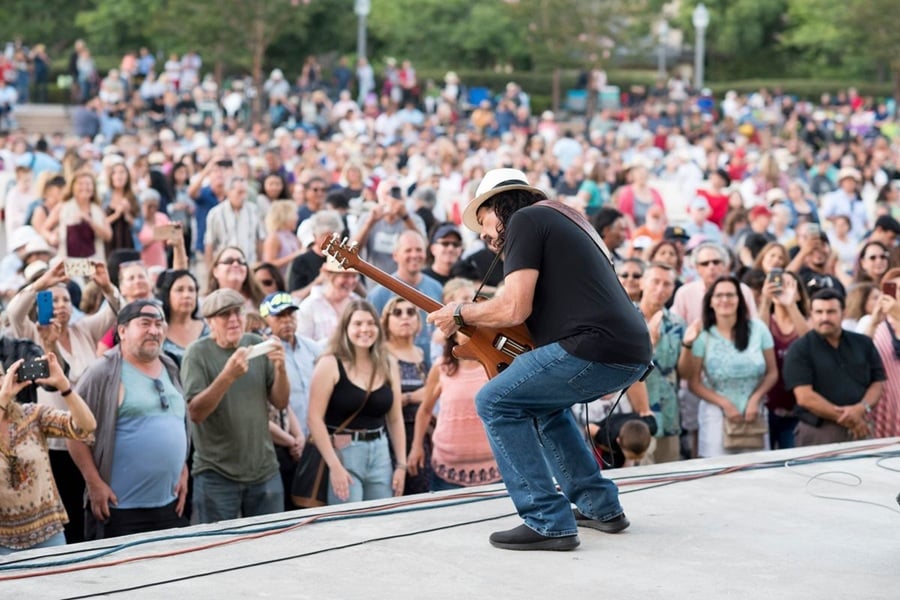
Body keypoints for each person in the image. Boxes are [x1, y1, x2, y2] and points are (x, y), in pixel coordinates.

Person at [428, 168, 652, 551]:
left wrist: (461, 313)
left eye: (483, 219)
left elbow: (514, 307)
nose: (482, 235)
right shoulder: (563, 220)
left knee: (494, 401)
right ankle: (600, 507)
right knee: (542, 407)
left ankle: (547, 520)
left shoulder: (525, 219)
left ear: (501, 205)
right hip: (629, 349)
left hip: (593, 345)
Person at [7, 259, 123, 543]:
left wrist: (106, 286)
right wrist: (41, 283)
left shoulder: (84, 330)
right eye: (53, 299)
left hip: (87, 435)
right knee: (64, 514)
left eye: (65, 299)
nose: (60, 305)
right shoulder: (31, 333)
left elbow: (120, 312)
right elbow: (14, 312)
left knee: (91, 511)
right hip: (51, 443)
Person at [68, 300, 190, 539]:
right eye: (145, 324)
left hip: (170, 505)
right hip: (120, 509)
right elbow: (72, 433)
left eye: (159, 324)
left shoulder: (170, 366)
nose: (154, 330)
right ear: (122, 331)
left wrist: (182, 467)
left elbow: (176, 423)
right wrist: (94, 483)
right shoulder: (102, 372)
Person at [181, 289, 290, 523]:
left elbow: (280, 402)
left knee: (273, 542)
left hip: (264, 470)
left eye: (237, 312)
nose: (233, 319)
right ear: (209, 322)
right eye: (224, 315)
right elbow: (195, 413)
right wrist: (227, 376)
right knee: (220, 544)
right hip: (217, 474)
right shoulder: (196, 354)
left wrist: (281, 369)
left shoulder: (255, 344)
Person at [306, 300, 407, 504]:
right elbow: (314, 419)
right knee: (349, 520)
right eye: (358, 324)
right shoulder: (329, 363)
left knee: (382, 516)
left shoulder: (388, 363)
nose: (365, 329)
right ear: (346, 328)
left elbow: (395, 419)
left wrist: (401, 465)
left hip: (380, 452)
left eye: (370, 323)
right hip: (344, 451)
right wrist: (334, 466)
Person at [409, 278, 500, 491]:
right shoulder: (441, 367)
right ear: (454, 337)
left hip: (496, 469)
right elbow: (425, 410)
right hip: (446, 472)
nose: (471, 334)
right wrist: (416, 447)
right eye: (464, 330)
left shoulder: (496, 366)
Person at [0, 354, 96, 554]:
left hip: (48, 536)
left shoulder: (32, 415)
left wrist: (64, 387)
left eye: (1, 376)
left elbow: (86, 426)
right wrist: (3, 399)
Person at [682, 275, 778, 457]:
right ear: (710, 302)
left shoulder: (758, 329)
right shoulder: (703, 335)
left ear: (739, 300)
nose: (724, 300)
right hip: (716, 415)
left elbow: (772, 373)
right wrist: (725, 404)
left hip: (753, 414)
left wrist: (755, 399)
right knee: (718, 471)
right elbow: (694, 383)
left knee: (758, 468)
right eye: (719, 295)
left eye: (730, 295)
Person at [783, 288, 885, 446]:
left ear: (843, 313)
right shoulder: (800, 349)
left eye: (831, 312)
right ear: (811, 314)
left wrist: (860, 409)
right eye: (819, 312)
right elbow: (805, 397)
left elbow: (877, 382)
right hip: (819, 432)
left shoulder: (863, 343)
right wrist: (849, 419)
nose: (825, 318)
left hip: (861, 426)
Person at [381, 297, 430, 495]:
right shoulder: (381, 354)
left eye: (411, 312)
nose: (405, 317)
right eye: (397, 313)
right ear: (386, 321)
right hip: (390, 434)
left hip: (420, 435)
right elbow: (380, 400)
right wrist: (411, 397)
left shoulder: (420, 353)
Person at [757, 270, 810, 449]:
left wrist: (791, 305)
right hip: (767, 407)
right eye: (778, 283)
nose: (781, 289)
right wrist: (765, 300)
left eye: (788, 285)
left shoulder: (806, 322)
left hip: (796, 411)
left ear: (799, 293)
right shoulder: (765, 319)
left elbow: (809, 344)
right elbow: (757, 339)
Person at [296, 255, 361, 345]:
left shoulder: (358, 302)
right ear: (328, 275)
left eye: (354, 276)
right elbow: (302, 345)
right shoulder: (309, 306)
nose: (350, 281)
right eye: (345, 276)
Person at [204, 175, 265, 266]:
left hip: (249, 264)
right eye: (239, 192)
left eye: (245, 192)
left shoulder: (254, 211)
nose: (243, 196)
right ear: (228, 192)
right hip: (225, 265)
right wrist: (210, 268)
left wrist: (260, 263)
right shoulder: (215, 213)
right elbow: (209, 243)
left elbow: (260, 239)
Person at [156, 269, 208, 368]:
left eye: (191, 290)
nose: (187, 295)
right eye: (179, 290)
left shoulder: (209, 329)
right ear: (167, 295)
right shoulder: (158, 332)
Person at [206, 246, 265, 310]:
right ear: (215, 271)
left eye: (241, 261)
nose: (236, 264)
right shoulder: (202, 304)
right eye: (229, 261)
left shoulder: (263, 303)